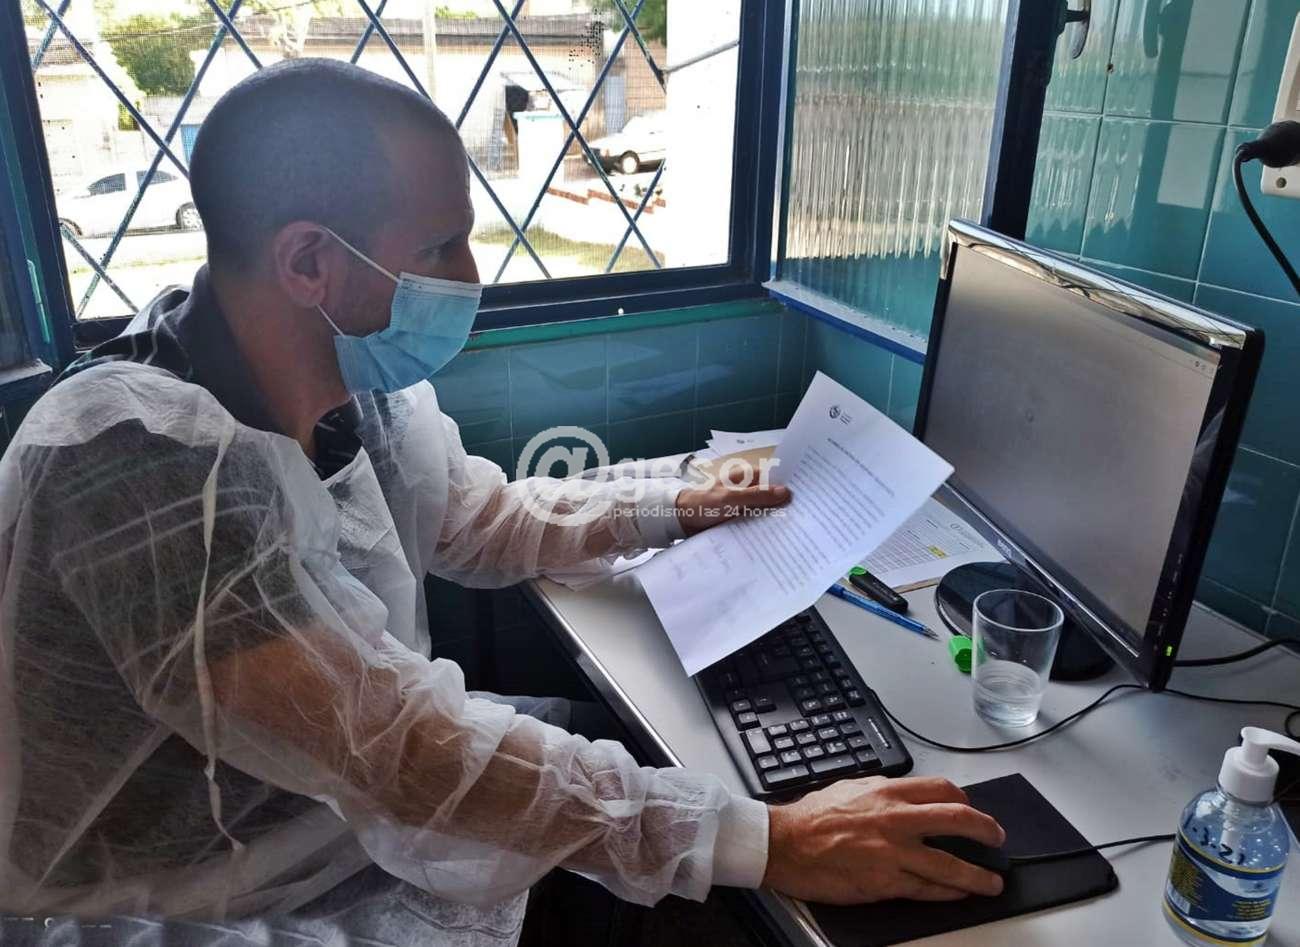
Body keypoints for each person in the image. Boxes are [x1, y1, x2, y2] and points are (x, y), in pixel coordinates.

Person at [0, 60, 1004, 946]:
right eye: (441, 245)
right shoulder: (131, 460)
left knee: (662, 777)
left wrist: (679, 503)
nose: (471, 277)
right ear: (309, 262)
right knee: (719, 883)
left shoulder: (349, 384)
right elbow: (395, 749)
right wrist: (771, 841)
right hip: (198, 896)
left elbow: (479, 522)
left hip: (328, 811)